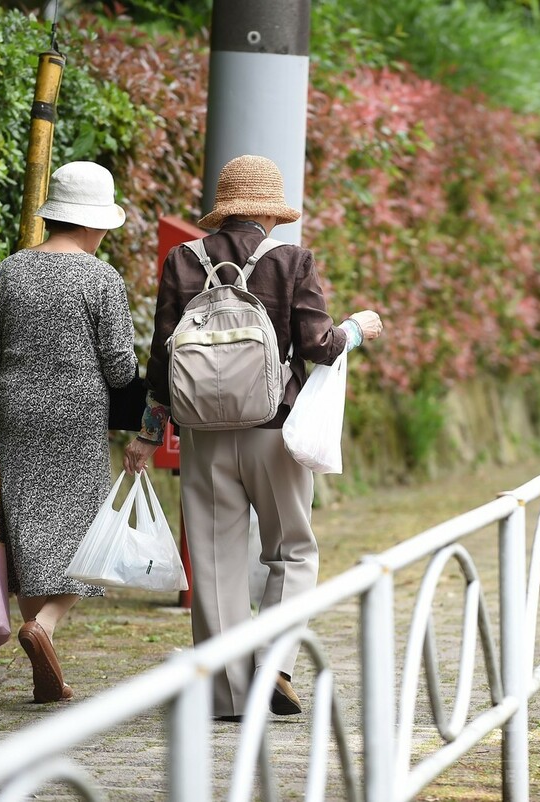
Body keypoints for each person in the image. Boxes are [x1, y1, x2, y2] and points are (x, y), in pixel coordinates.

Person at [123, 155, 382, 721]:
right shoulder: (291, 261)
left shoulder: (182, 260)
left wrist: (148, 433)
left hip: (203, 435)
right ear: (269, 211)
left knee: (214, 561)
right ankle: (273, 664)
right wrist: (357, 330)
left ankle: (228, 694)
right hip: (274, 432)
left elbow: (162, 353)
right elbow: (319, 346)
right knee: (292, 549)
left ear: (224, 209)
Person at [0, 161, 137, 704]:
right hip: (77, 414)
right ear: (92, 223)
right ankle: (44, 629)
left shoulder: (9, 271)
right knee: (87, 535)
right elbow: (119, 365)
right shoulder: (101, 278)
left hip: (15, 414)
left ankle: (45, 670)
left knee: (30, 534)